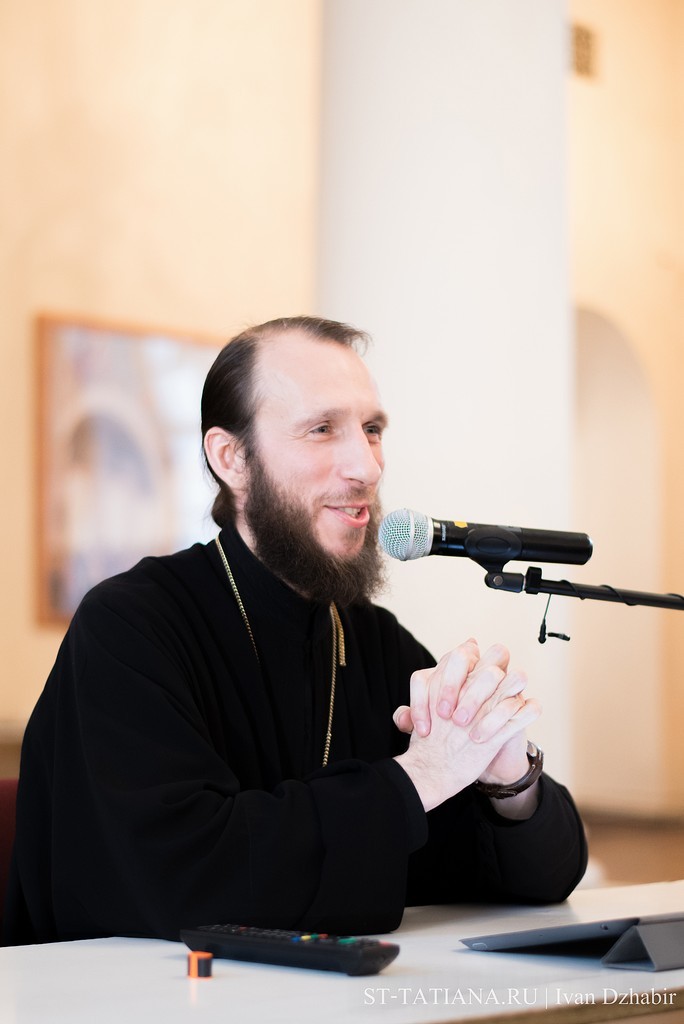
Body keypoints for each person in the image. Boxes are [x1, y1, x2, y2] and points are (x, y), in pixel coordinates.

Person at [5, 316, 587, 945]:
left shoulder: (372, 641)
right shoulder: (129, 628)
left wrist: (506, 776)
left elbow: (540, 877)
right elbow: (182, 883)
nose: (366, 467)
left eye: (372, 430)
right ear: (232, 459)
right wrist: (420, 777)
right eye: (322, 429)